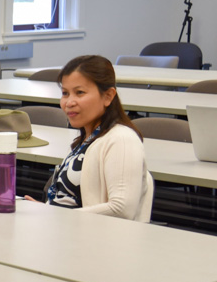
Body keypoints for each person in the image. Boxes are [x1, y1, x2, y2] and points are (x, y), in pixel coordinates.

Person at [29, 55, 153, 221]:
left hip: (96, 240)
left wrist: (54, 215)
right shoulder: (85, 141)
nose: (69, 102)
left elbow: (122, 209)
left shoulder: (121, 139)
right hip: (66, 231)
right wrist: (44, 208)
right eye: (65, 93)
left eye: (79, 93)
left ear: (108, 96)